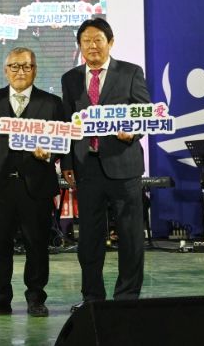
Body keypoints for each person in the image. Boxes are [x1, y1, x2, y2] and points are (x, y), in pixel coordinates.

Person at [61, 18, 151, 312]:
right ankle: (92, 298)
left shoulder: (130, 72)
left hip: (123, 165)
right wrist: (67, 162)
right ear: (80, 46)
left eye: (98, 40)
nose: (92, 46)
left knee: (130, 235)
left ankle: (127, 298)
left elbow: (143, 113)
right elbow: (67, 123)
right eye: (86, 41)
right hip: (86, 167)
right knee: (89, 238)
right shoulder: (70, 78)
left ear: (110, 42)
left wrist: (132, 131)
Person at [0, 47, 65, 318]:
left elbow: (64, 140)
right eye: (14, 66)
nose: (20, 71)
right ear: (6, 70)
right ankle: (1, 298)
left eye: (26, 66)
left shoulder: (52, 103)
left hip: (36, 186)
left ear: (35, 70)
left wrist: (50, 152)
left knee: (37, 245)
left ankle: (36, 298)